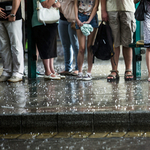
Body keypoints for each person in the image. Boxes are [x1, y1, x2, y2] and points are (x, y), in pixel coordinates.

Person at [101, 0, 136, 82]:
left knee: (127, 42)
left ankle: (128, 69)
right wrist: (103, 10)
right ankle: (114, 70)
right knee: (113, 42)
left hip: (128, 8)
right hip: (111, 9)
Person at [32, 0, 63, 80]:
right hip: (41, 22)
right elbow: (46, 4)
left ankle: (51, 69)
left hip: (52, 20)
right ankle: (47, 71)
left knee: (51, 45)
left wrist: (57, 4)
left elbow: (58, 4)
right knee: (45, 45)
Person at [0, 0, 24, 82]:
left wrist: (13, 13)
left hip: (13, 12)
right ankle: (7, 71)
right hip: (2, 13)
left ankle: (18, 72)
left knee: (16, 44)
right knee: (3, 45)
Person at [74, 0, 99, 81]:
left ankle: (89, 72)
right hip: (80, 16)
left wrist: (88, 21)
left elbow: (95, 6)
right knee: (81, 47)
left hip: (92, 17)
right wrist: (77, 18)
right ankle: (80, 72)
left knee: (90, 46)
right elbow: (75, 4)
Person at [58, 8, 79, 76]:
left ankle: (78, 68)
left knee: (75, 45)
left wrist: (76, 19)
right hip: (61, 19)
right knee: (65, 45)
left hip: (72, 20)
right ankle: (67, 68)